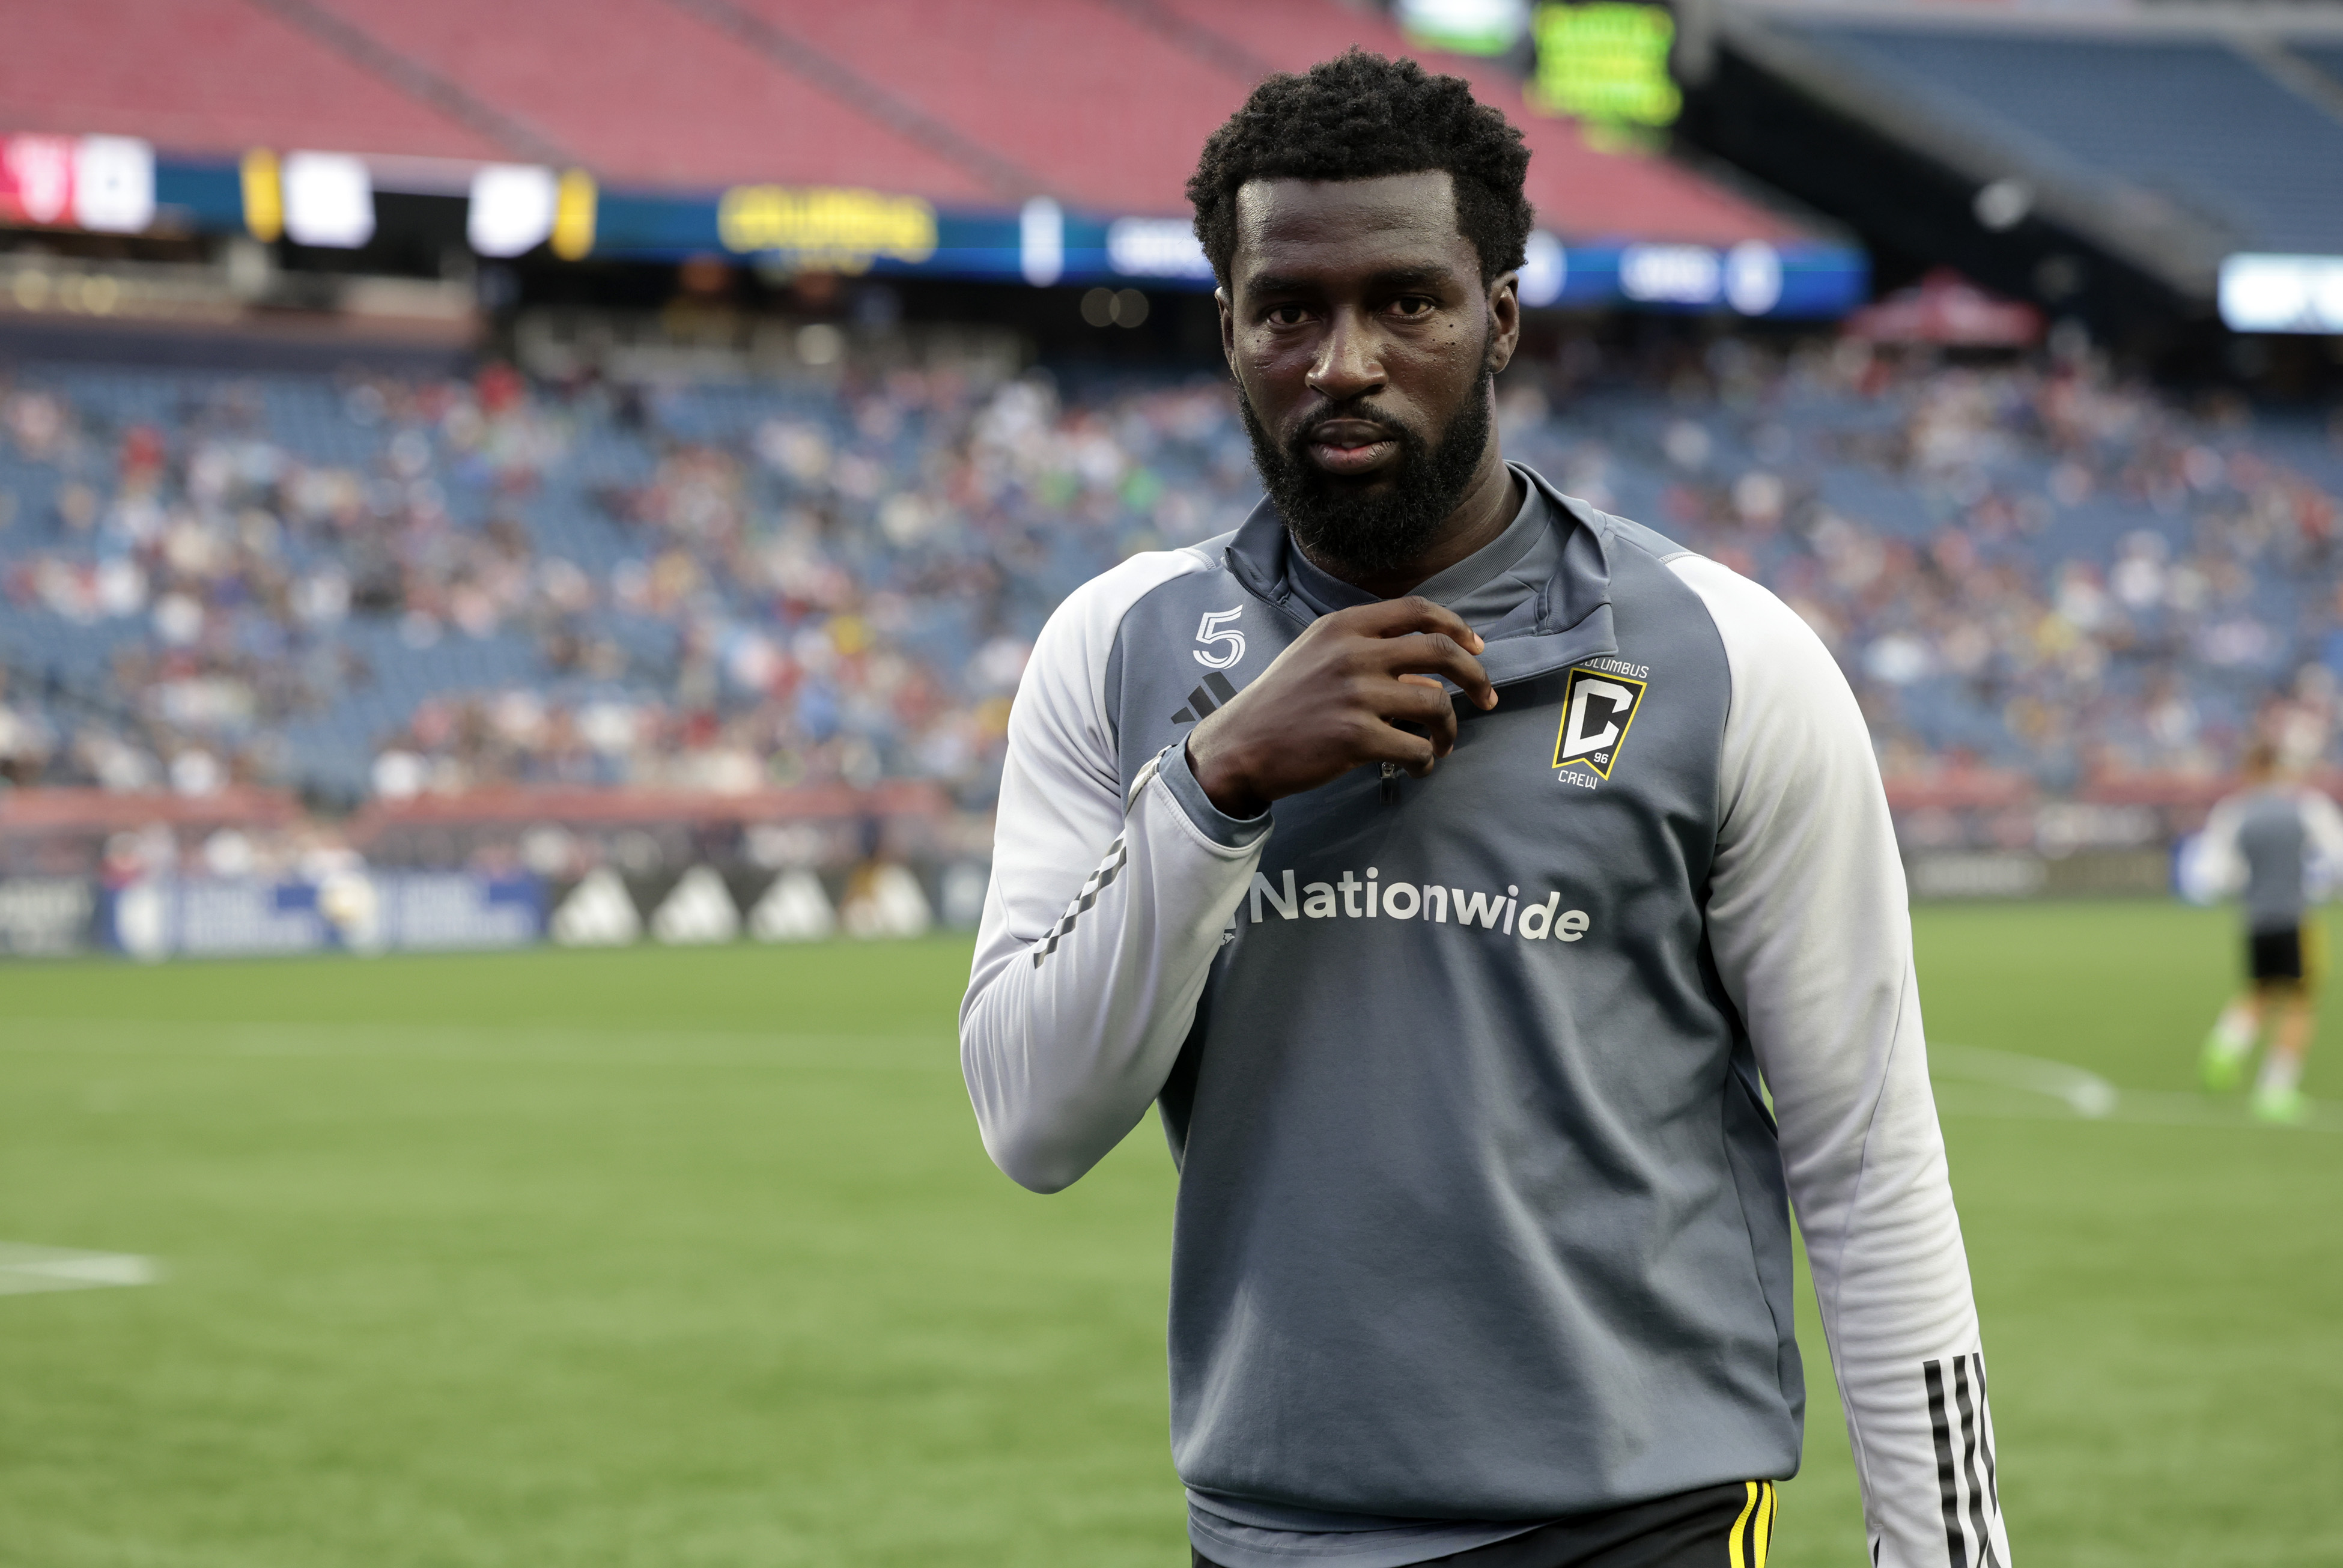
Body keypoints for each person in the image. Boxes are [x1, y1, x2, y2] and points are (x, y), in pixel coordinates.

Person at [960, 51, 2009, 1568]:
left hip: (1635, 1521)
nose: (1344, 361)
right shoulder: (1117, 649)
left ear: (1497, 317)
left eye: (1407, 302)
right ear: (1230, 330)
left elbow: (1869, 1156)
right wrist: (1215, 786)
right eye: (1289, 310)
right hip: (1267, 1527)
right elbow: (1033, 1119)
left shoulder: (1732, 657)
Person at [2194, 741, 2343, 1123]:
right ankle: (2275, 1090)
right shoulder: (2306, 807)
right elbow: (2336, 857)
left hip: (2255, 918)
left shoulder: (2234, 813)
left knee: (2260, 991)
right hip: (2295, 917)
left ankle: (2226, 1042)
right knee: (2300, 1003)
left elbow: (2213, 877)